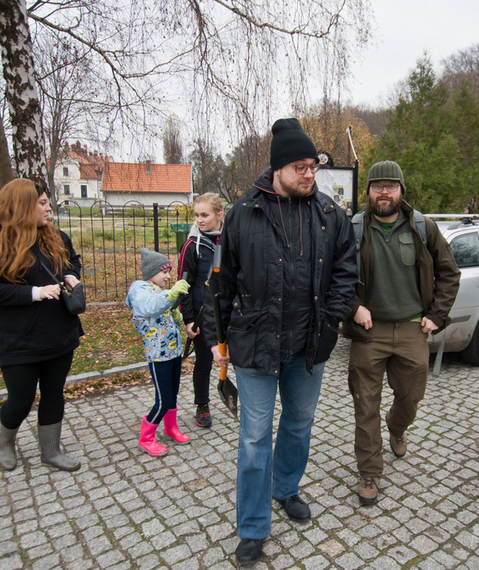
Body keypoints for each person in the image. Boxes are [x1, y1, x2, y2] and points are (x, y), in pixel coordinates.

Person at [204, 118, 357, 565]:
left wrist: (331, 319)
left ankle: (286, 487)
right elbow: (221, 281)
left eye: (312, 165)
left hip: (309, 345)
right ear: (278, 169)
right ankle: (252, 528)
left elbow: (347, 272)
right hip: (254, 345)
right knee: (254, 438)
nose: (310, 173)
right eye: (300, 166)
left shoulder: (330, 216)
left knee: (298, 424)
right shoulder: (241, 215)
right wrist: (216, 338)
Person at [342, 160, 461, 506]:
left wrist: (436, 315)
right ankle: (369, 471)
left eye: (390, 186)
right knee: (365, 405)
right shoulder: (353, 229)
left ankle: (397, 427)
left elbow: (450, 273)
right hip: (369, 330)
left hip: (412, 328)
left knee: (411, 396)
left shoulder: (423, 227)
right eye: (377, 186)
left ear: (401, 191)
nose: (383, 192)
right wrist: (353, 307)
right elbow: (335, 276)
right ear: (368, 191)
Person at [0, 178, 84, 472]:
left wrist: (71, 275)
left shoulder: (52, 235)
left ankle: (51, 450)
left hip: (58, 331)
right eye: (42, 203)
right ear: (22, 206)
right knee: (20, 398)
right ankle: (6, 442)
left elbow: (71, 260)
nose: (49, 208)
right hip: (17, 338)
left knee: (54, 391)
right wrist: (35, 293)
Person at [126, 249, 192, 456]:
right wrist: (169, 295)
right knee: (163, 400)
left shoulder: (157, 292)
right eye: (164, 271)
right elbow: (149, 307)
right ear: (151, 272)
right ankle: (146, 438)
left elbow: (166, 317)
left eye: (170, 271)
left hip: (173, 353)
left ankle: (170, 429)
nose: (168, 276)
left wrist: (175, 313)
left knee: (172, 394)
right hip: (158, 357)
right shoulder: (140, 290)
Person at [178, 193, 224, 428]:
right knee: (204, 362)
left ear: (219, 215)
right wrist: (188, 321)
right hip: (201, 315)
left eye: (204, 215)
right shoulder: (191, 245)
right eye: (196, 215)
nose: (200, 220)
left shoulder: (229, 240)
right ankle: (202, 404)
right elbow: (183, 286)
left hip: (227, 314)